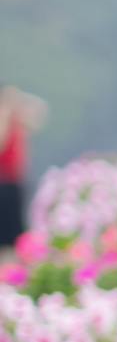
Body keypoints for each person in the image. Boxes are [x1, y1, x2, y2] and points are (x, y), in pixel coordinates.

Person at [0, 86, 47, 250]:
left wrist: (18, 99)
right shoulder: (4, 118)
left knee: (12, 240)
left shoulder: (15, 117)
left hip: (14, 184)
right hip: (3, 183)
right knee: (5, 239)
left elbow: (40, 112)